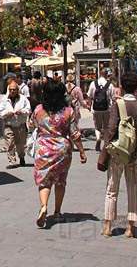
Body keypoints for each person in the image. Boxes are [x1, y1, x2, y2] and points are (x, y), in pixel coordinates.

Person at [98, 72, 137, 238]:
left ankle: (107, 225)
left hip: (118, 153)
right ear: (136, 87)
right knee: (133, 188)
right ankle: (131, 227)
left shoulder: (117, 104)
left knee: (112, 188)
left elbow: (112, 129)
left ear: (122, 86)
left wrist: (104, 151)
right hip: (135, 152)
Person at [31, 79, 87, 228]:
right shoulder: (68, 111)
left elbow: (31, 124)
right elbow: (75, 133)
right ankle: (57, 212)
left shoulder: (38, 110)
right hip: (62, 148)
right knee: (60, 181)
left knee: (44, 180)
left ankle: (43, 206)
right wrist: (82, 151)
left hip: (43, 148)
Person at [0, 78, 31, 168]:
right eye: (11, 89)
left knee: (21, 144)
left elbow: (28, 110)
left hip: (20, 125)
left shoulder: (23, 99)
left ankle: (21, 156)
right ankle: (12, 160)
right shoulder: (4, 99)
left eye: (14, 89)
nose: (12, 91)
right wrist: (6, 114)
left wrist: (22, 111)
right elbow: (0, 112)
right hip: (9, 125)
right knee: (10, 143)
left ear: (17, 90)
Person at [87, 72, 116, 151]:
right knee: (106, 126)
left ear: (99, 75)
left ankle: (98, 138)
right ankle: (106, 143)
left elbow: (89, 96)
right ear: (106, 75)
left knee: (97, 127)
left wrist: (89, 106)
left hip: (96, 109)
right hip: (107, 109)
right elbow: (113, 98)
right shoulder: (110, 85)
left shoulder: (93, 83)